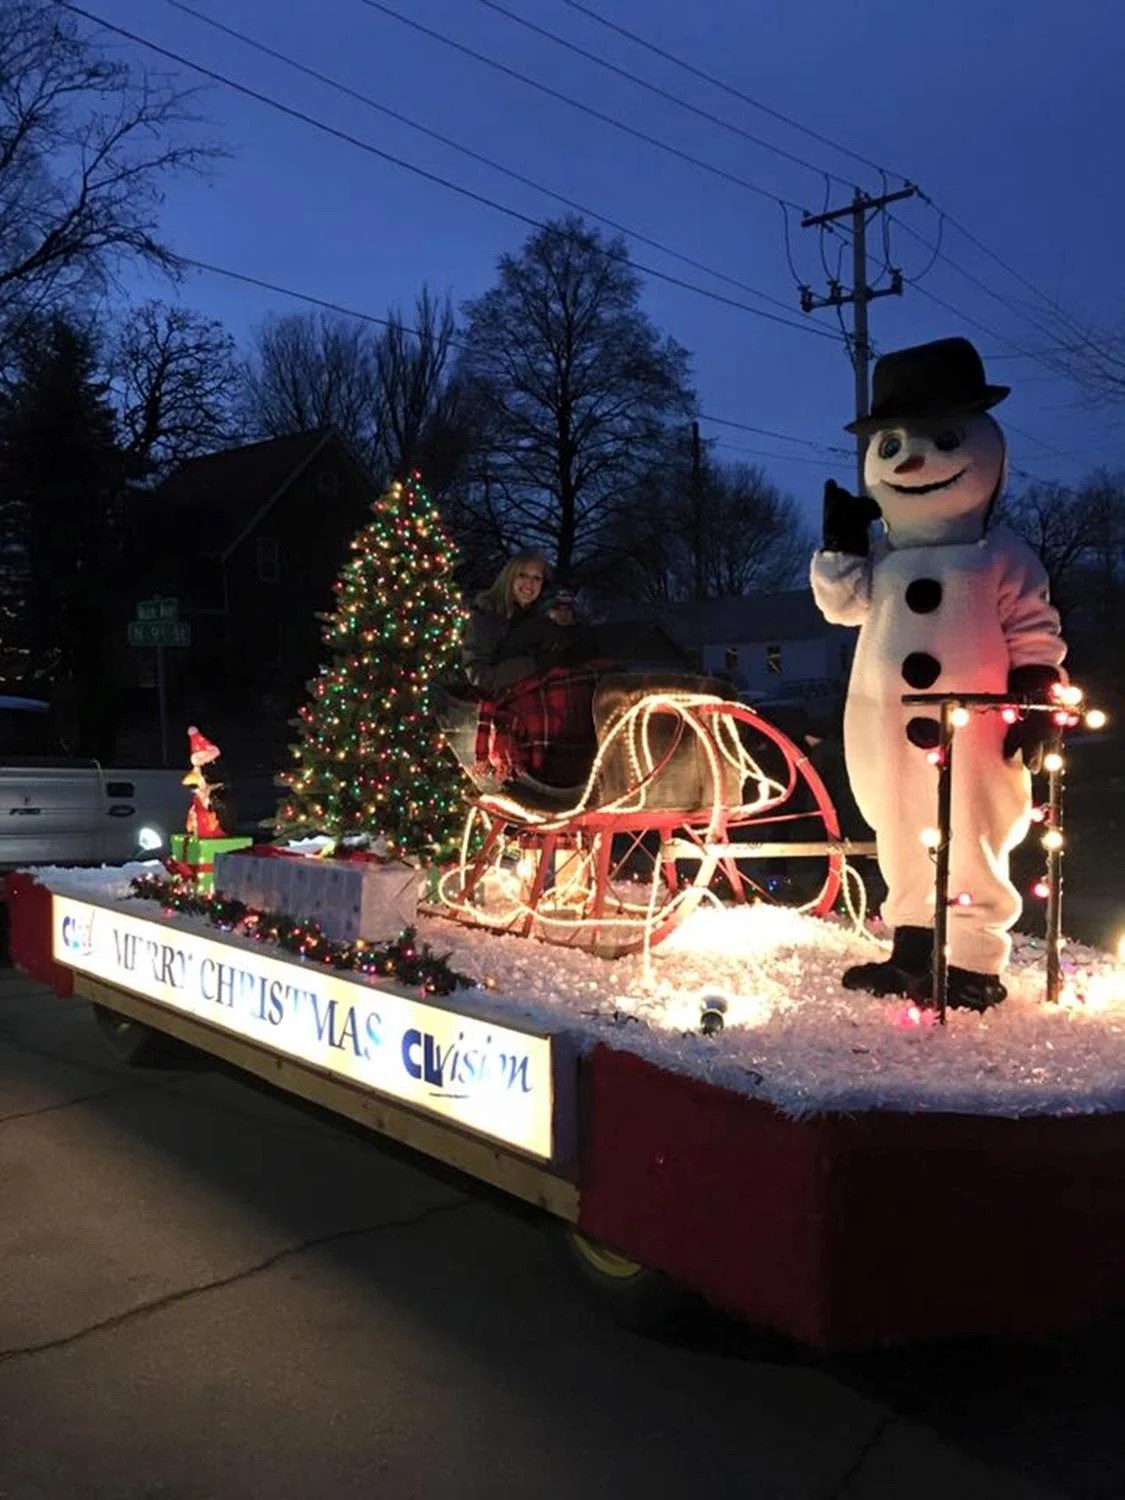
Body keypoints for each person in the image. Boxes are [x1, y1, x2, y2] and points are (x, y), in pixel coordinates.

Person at [461, 550, 552, 694]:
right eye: (523, 575)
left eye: (536, 578)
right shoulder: (486, 613)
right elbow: (479, 675)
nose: (529, 584)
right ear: (509, 577)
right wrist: (534, 664)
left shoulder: (540, 617)